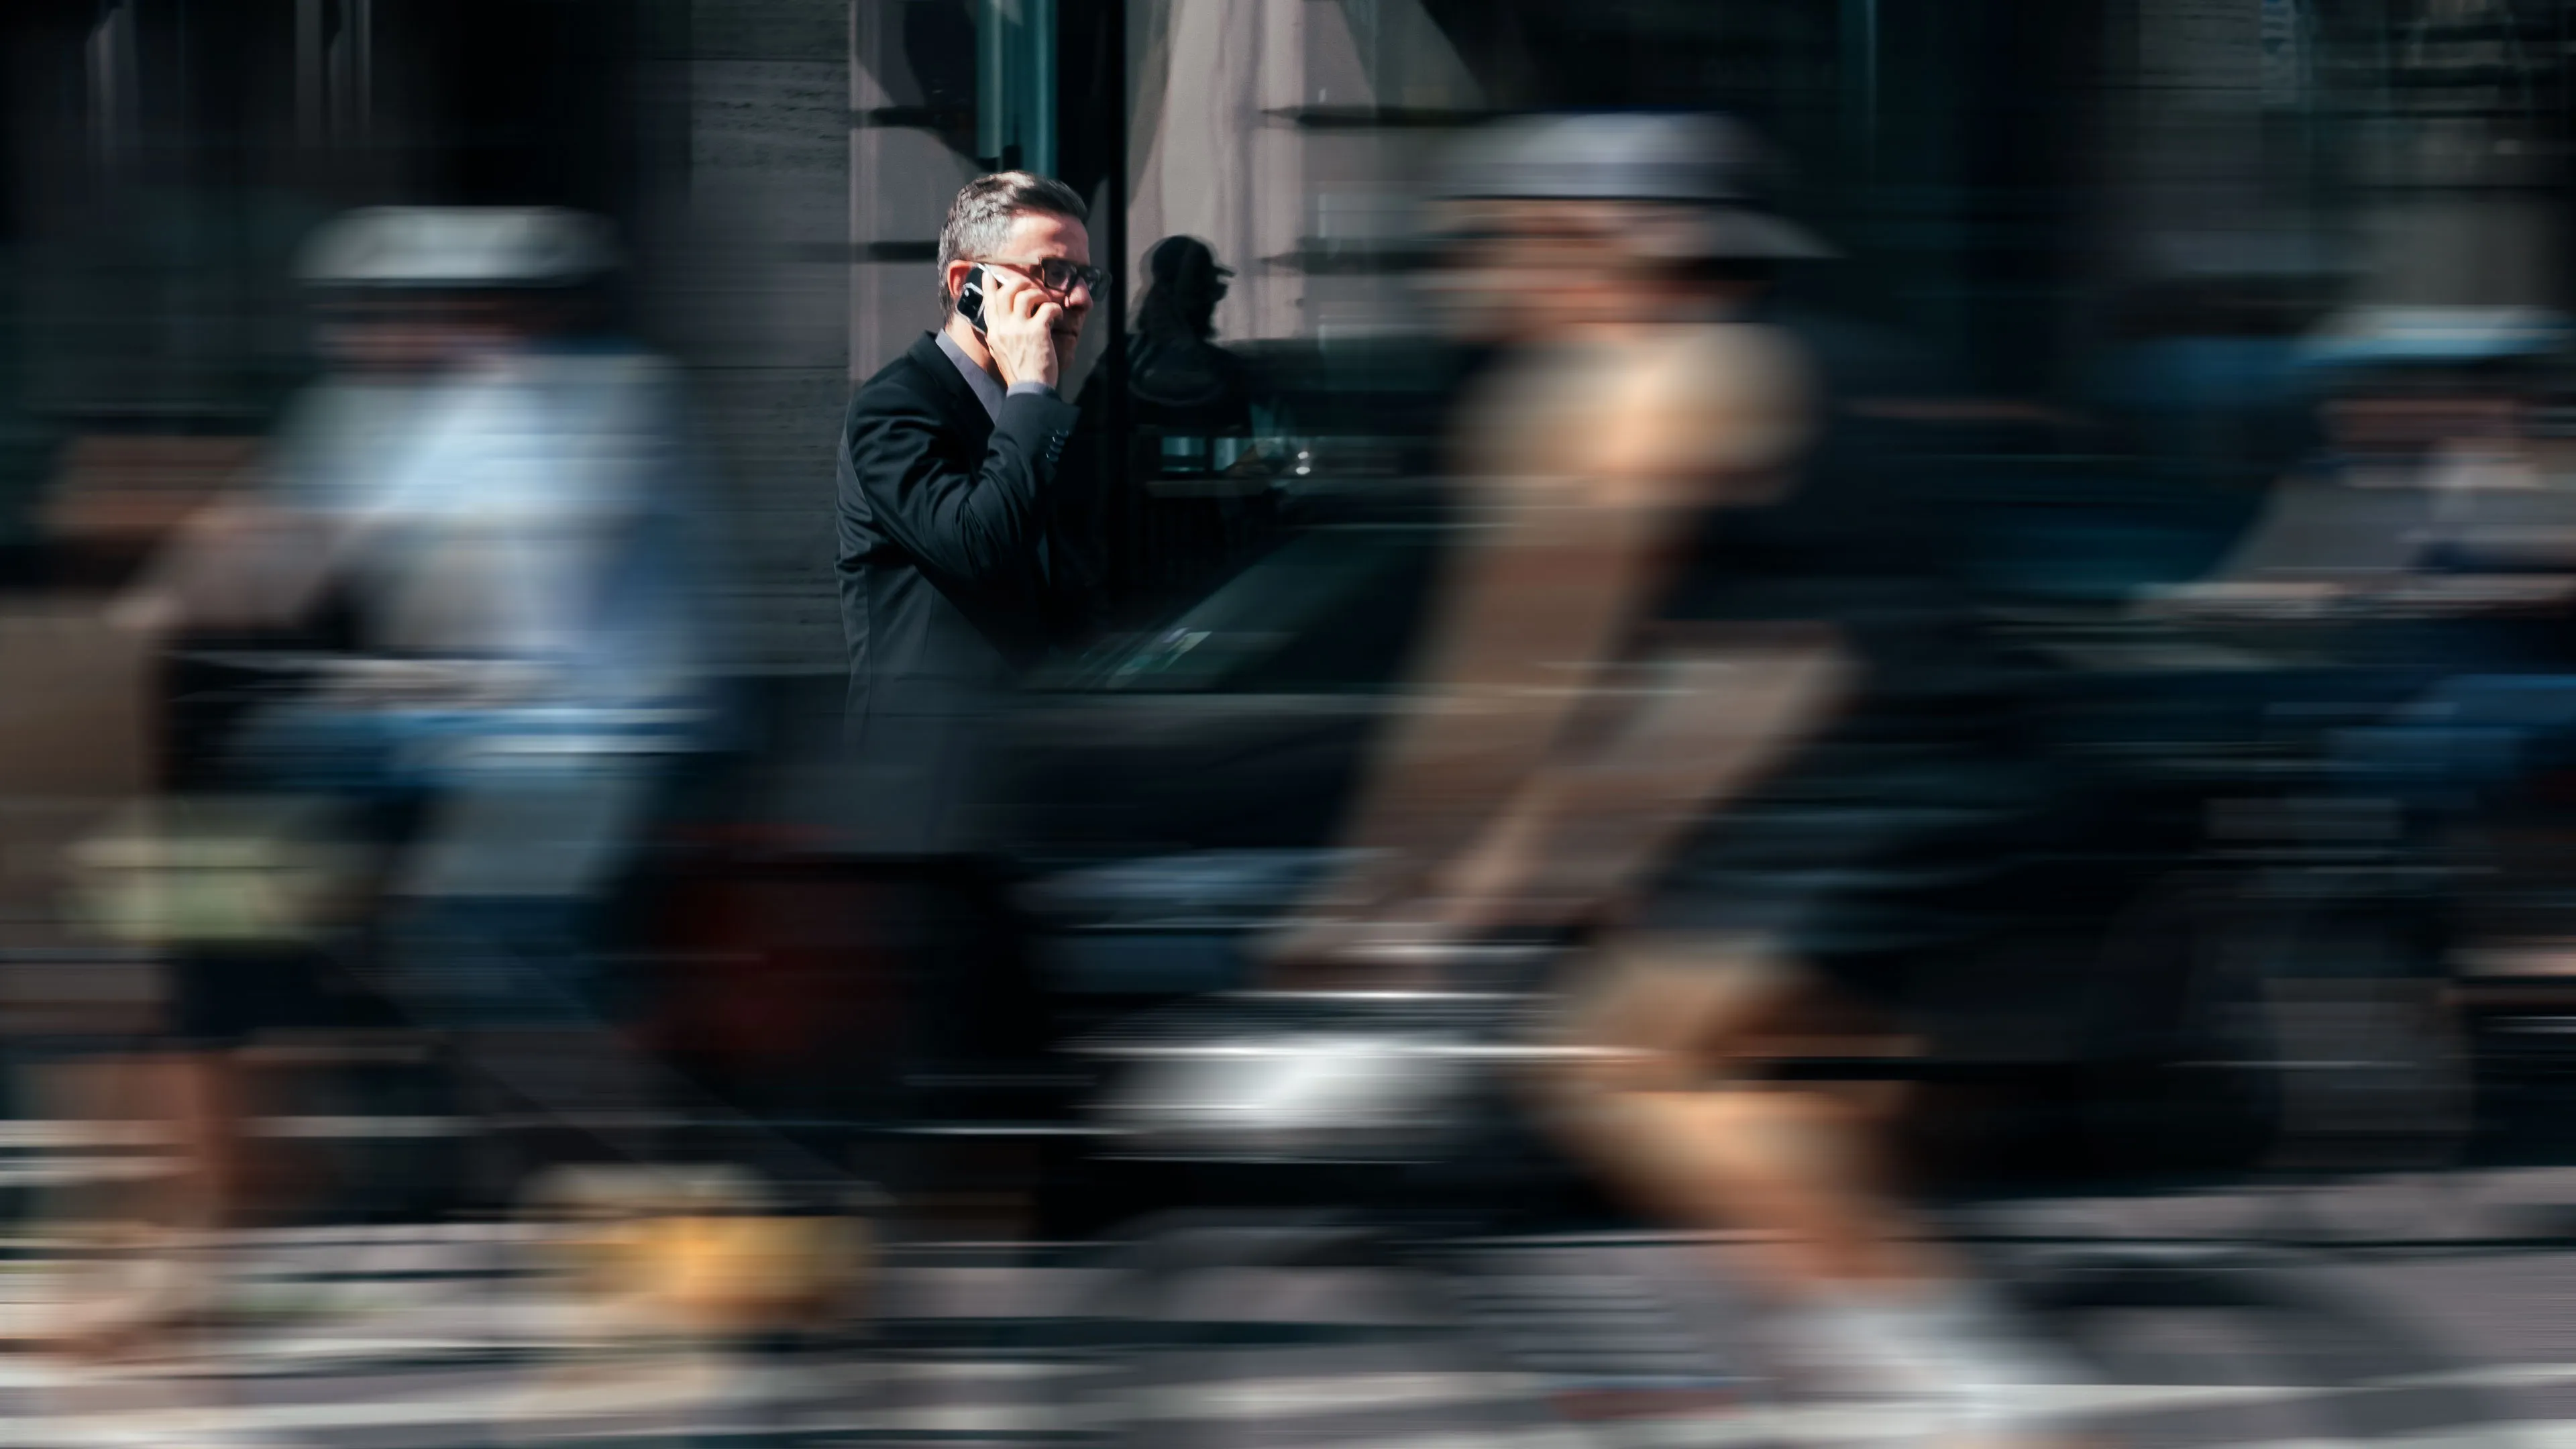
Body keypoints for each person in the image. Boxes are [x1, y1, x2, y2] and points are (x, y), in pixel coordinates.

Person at [1269, 113, 2080, 1443]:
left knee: (1615, 1068)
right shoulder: (1842, 358)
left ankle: (1982, 1396)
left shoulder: (1633, 386)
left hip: (1857, 790)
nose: (1471, 273)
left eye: (1501, 240)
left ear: (1606, 245)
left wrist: (1392, 897)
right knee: (1788, 1140)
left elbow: (1511, 681)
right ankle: (1901, 1362)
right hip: (1965, 775)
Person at [835, 171, 1101, 854]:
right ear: (968, 285)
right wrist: (1032, 388)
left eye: (1084, 277)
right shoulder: (895, 408)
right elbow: (977, 546)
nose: (1077, 298)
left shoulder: (1043, 417)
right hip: (923, 788)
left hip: (1028, 775)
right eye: (1052, 272)